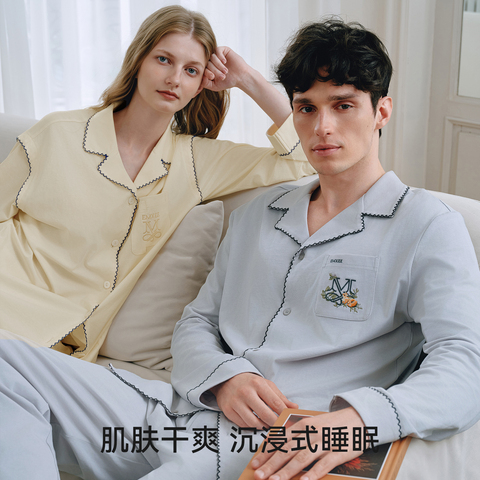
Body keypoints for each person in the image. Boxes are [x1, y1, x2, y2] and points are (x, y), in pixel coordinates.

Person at [1, 18, 480, 480]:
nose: (322, 127)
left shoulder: (427, 227)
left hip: (268, 443)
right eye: (306, 108)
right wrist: (224, 377)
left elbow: (464, 364)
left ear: (381, 111)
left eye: (343, 106)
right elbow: (197, 321)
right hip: (171, 414)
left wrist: (357, 422)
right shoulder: (259, 214)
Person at [0, 5, 313, 361]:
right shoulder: (58, 133)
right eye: (164, 60)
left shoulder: (196, 162)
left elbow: (305, 156)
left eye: (191, 70)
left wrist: (248, 79)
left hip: (53, 348)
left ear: (200, 85)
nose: (174, 79)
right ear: (138, 60)